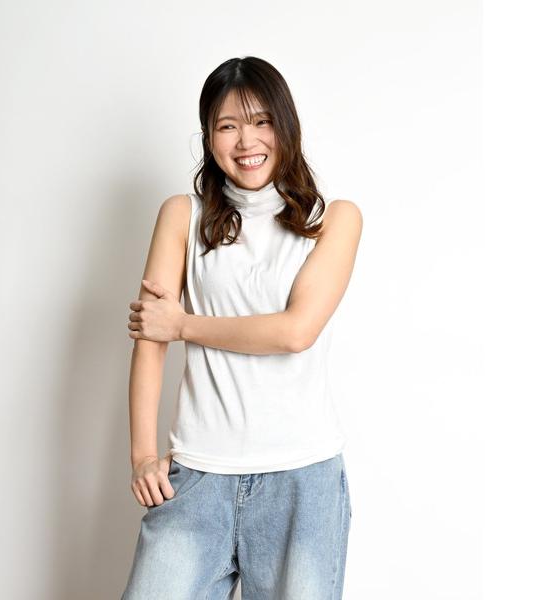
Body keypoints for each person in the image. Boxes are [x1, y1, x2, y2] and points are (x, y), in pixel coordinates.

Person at [120, 56, 363, 600]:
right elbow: (151, 340)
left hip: (303, 481)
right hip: (197, 475)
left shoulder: (334, 219)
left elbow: (295, 332)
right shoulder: (182, 215)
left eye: (261, 121)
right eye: (227, 126)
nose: (246, 141)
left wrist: (183, 324)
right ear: (209, 138)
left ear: (285, 126)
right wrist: (141, 455)